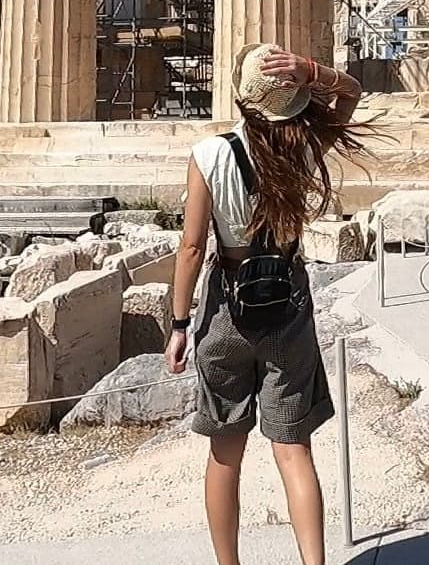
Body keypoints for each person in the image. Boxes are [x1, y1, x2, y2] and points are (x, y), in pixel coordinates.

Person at [165, 42, 372, 565]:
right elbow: (351, 93)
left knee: (225, 453)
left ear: (240, 97)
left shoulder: (208, 154)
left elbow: (192, 247)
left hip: (226, 310)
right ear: (292, 101)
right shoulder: (303, 148)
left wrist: (179, 322)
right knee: (294, 451)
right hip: (287, 303)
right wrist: (313, 71)